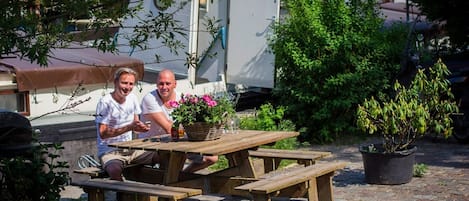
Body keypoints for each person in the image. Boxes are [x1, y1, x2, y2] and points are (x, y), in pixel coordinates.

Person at [140, 69, 218, 173]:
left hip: (177, 142)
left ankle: (182, 176)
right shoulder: (150, 99)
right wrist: (188, 130)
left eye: (168, 83)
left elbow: (192, 123)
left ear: (175, 84)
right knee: (177, 155)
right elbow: (169, 128)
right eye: (161, 84)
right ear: (156, 84)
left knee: (211, 158)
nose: (164, 87)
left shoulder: (182, 98)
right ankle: (173, 180)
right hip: (152, 146)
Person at [95, 67, 159, 181]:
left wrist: (142, 128)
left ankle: (163, 189)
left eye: (131, 84)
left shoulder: (132, 98)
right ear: (115, 82)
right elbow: (103, 133)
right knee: (115, 170)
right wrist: (129, 127)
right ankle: (122, 195)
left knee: (165, 157)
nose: (127, 87)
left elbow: (135, 127)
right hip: (110, 151)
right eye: (124, 83)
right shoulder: (105, 102)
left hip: (130, 149)